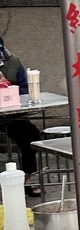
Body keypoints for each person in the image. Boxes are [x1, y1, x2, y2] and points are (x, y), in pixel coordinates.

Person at [0, 36, 41, 196]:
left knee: (31, 135)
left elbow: (25, 89)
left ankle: (27, 179)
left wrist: (7, 86)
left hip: (12, 113)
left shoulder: (14, 62)